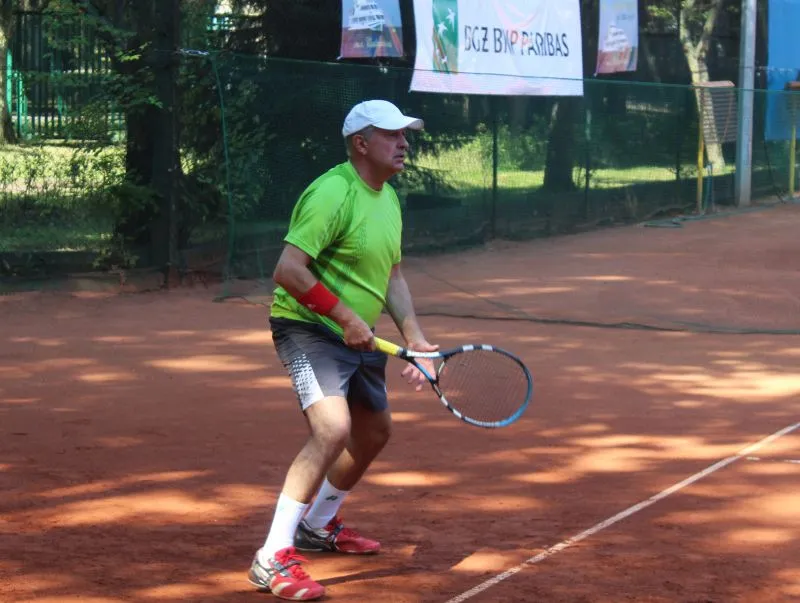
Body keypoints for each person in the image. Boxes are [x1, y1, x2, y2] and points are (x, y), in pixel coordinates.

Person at [248, 99, 438, 601]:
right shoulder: (333, 193)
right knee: (333, 429)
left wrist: (415, 339)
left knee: (374, 432)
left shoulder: (388, 198)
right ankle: (272, 556)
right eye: (392, 135)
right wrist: (346, 317)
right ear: (361, 144)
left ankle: (318, 525)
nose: (404, 143)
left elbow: (393, 277)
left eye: (405, 135)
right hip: (308, 327)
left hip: (357, 333)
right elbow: (288, 269)